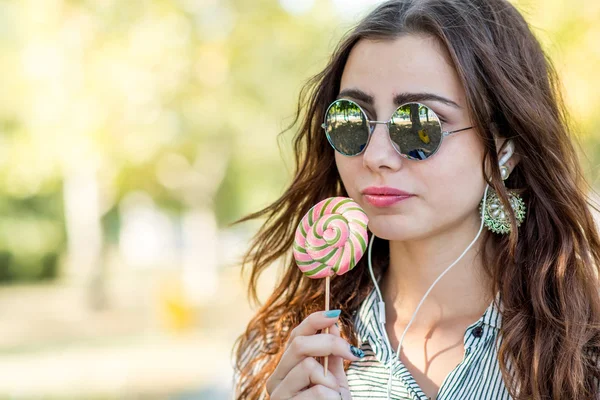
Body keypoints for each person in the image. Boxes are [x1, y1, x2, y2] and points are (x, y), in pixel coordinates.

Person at [231, 0, 600, 399]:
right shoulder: (290, 350)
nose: (375, 156)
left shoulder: (584, 351)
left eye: (419, 124)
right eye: (352, 120)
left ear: (505, 147)